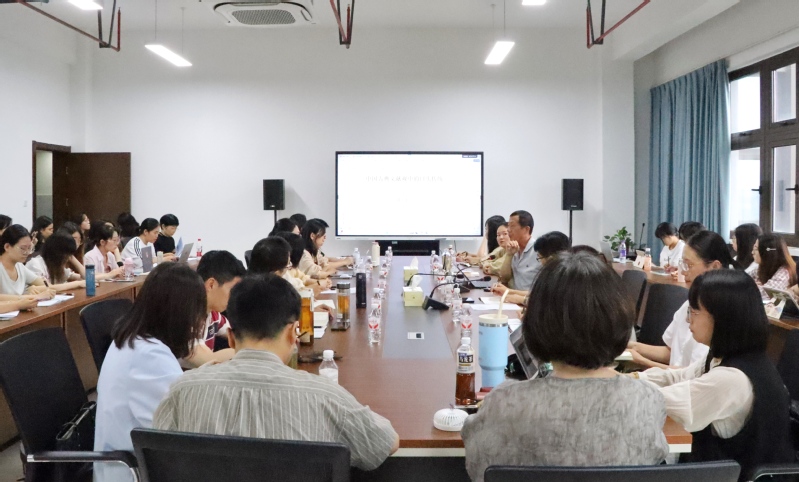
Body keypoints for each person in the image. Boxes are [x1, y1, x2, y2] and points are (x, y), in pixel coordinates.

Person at [153, 274, 399, 471]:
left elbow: (160, 459)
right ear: (293, 333)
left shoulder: (182, 391)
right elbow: (384, 443)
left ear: (231, 338)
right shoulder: (326, 397)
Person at [462, 253, 668, 482]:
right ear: (620, 319)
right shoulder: (647, 400)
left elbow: (477, 466)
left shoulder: (505, 402)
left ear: (536, 322)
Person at [635, 270, 794, 481]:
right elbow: (681, 377)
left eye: (694, 312)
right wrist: (634, 379)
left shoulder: (733, 379)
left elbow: (671, 402)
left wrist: (619, 386)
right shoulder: (725, 356)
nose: (687, 320)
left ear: (723, 319)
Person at [94, 263, 207, 482]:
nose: (200, 320)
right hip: (135, 470)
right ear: (179, 313)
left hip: (133, 460)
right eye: (198, 312)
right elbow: (179, 427)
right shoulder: (149, 356)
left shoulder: (134, 338)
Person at [628, 231, 737, 369]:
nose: (683, 271)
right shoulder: (689, 303)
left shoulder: (721, 314)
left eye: (689, 265)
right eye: (682, 264)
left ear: (714, 267)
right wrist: (632, 347)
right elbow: (672, 352)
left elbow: (695, 375)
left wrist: (642, 362)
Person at [181, 250, 246, 368]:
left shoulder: (213, 314)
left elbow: (239, 335)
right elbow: (208, 361)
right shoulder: (185, 316)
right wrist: (247, 351)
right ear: (211, 285)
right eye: (232, 291)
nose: (235, 297)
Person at [492, 231, 570, 305]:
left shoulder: (565, 275)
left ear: (550, 258)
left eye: (540, 258)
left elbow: (550, 304)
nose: (541, 262)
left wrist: (522, 299)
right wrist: (509, 291)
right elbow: (539, 294)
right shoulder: (556, 271)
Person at [0, 225, 55, 300]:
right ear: (7, 247)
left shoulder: (19, 266)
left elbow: (45, 284)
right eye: (23, 248)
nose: (27, 252)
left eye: (29, 248)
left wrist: (33, 289)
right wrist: (33, 296)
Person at [497, 210, 539, 292]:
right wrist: (509, 255)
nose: (508, 230)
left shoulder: (538, 251)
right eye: (508, 226)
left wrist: (509, 292)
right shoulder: (514, 248)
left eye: (512, 226)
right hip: (514, 297)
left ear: (526, 229)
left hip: (529, 298)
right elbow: (504, 278)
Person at [750, 233, 796, 302]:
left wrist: (751, 286)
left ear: (767, 253)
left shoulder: (784, 272)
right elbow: (744, 278)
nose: (752, 252)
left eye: (756, 249)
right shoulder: (762, 267)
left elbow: (763, 294)